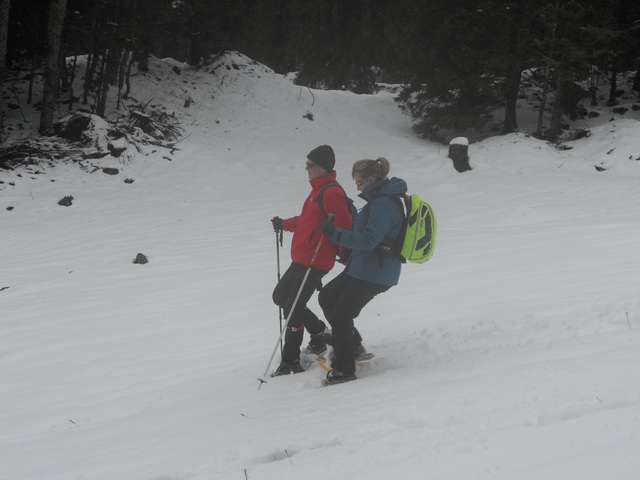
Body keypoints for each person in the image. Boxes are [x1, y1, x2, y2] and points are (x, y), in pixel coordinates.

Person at [318, 157, 407, 385]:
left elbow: (369, 240)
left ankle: (344, 370)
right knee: (327, 297)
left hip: (376, 272)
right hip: (363, 266)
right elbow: (372, 240)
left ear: (372, 179)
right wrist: (349, 252)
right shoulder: (378, 200)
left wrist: (335, 234)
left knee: (341, 314)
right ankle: (352, 346)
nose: (357, 187)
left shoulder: (384, 204)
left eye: (359, 182)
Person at [270, 145, 353, 376]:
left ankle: (290, 361)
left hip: (316, 260)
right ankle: (318, 332)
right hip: (302, 258)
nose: (306, 169)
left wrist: (340, 245)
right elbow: (307, 221)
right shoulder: (317, 191)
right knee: (281, 297)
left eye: (310, 165)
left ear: (322, 167)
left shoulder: (332, 193)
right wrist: (284, 224)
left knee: (293, 308)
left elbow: (345, 226)